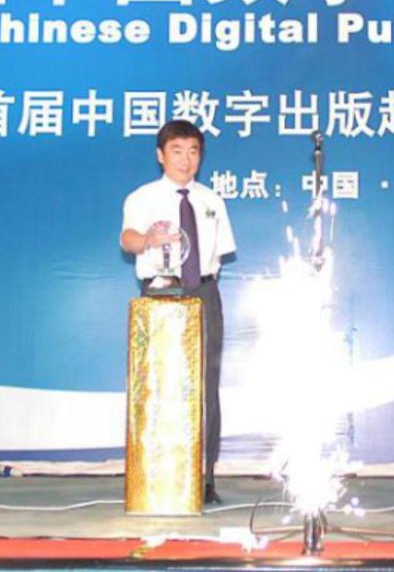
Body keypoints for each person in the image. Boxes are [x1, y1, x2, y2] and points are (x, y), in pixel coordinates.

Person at [120, 120, 236, 504]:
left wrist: (202, 283)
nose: (186, 160)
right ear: (160, 155)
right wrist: (148, 240)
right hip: (160, 293)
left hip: (204, 291)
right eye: (177, 151)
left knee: (206, 385)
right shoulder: (142, 197)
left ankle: (204, 477)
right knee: (160, 383)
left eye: (193, 151)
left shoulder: (211, 200)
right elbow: (127, 239)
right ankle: (158, 474)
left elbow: (219, 254)